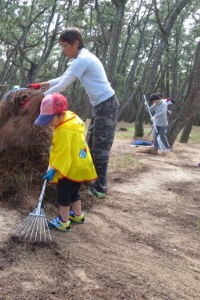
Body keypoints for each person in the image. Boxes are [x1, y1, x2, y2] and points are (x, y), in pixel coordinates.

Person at [28, 27, 118, 199]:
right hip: (100, 106)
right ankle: (89, 179)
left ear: (75, 43)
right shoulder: (80, 59)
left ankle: (100, 188)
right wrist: (41, 86)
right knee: (90, 145)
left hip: (107, 105)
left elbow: (63, 85)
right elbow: (62, 78)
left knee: (100, 149)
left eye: (64, 46)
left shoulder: (83, 59)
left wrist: (39, 98)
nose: (63, 51)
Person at [34, 93, 97, 232]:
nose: (49, 123)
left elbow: (64, 156)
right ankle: (78, 215)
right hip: (80, 165)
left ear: (58, 114)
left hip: (70, 168)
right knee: (74, 192)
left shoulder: (63, 130)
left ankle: (63, 222)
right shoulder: (71, 118)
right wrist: (56, 146)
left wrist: (53, 170)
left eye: (50, 119)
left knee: (63, 194)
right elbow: (69, 145)